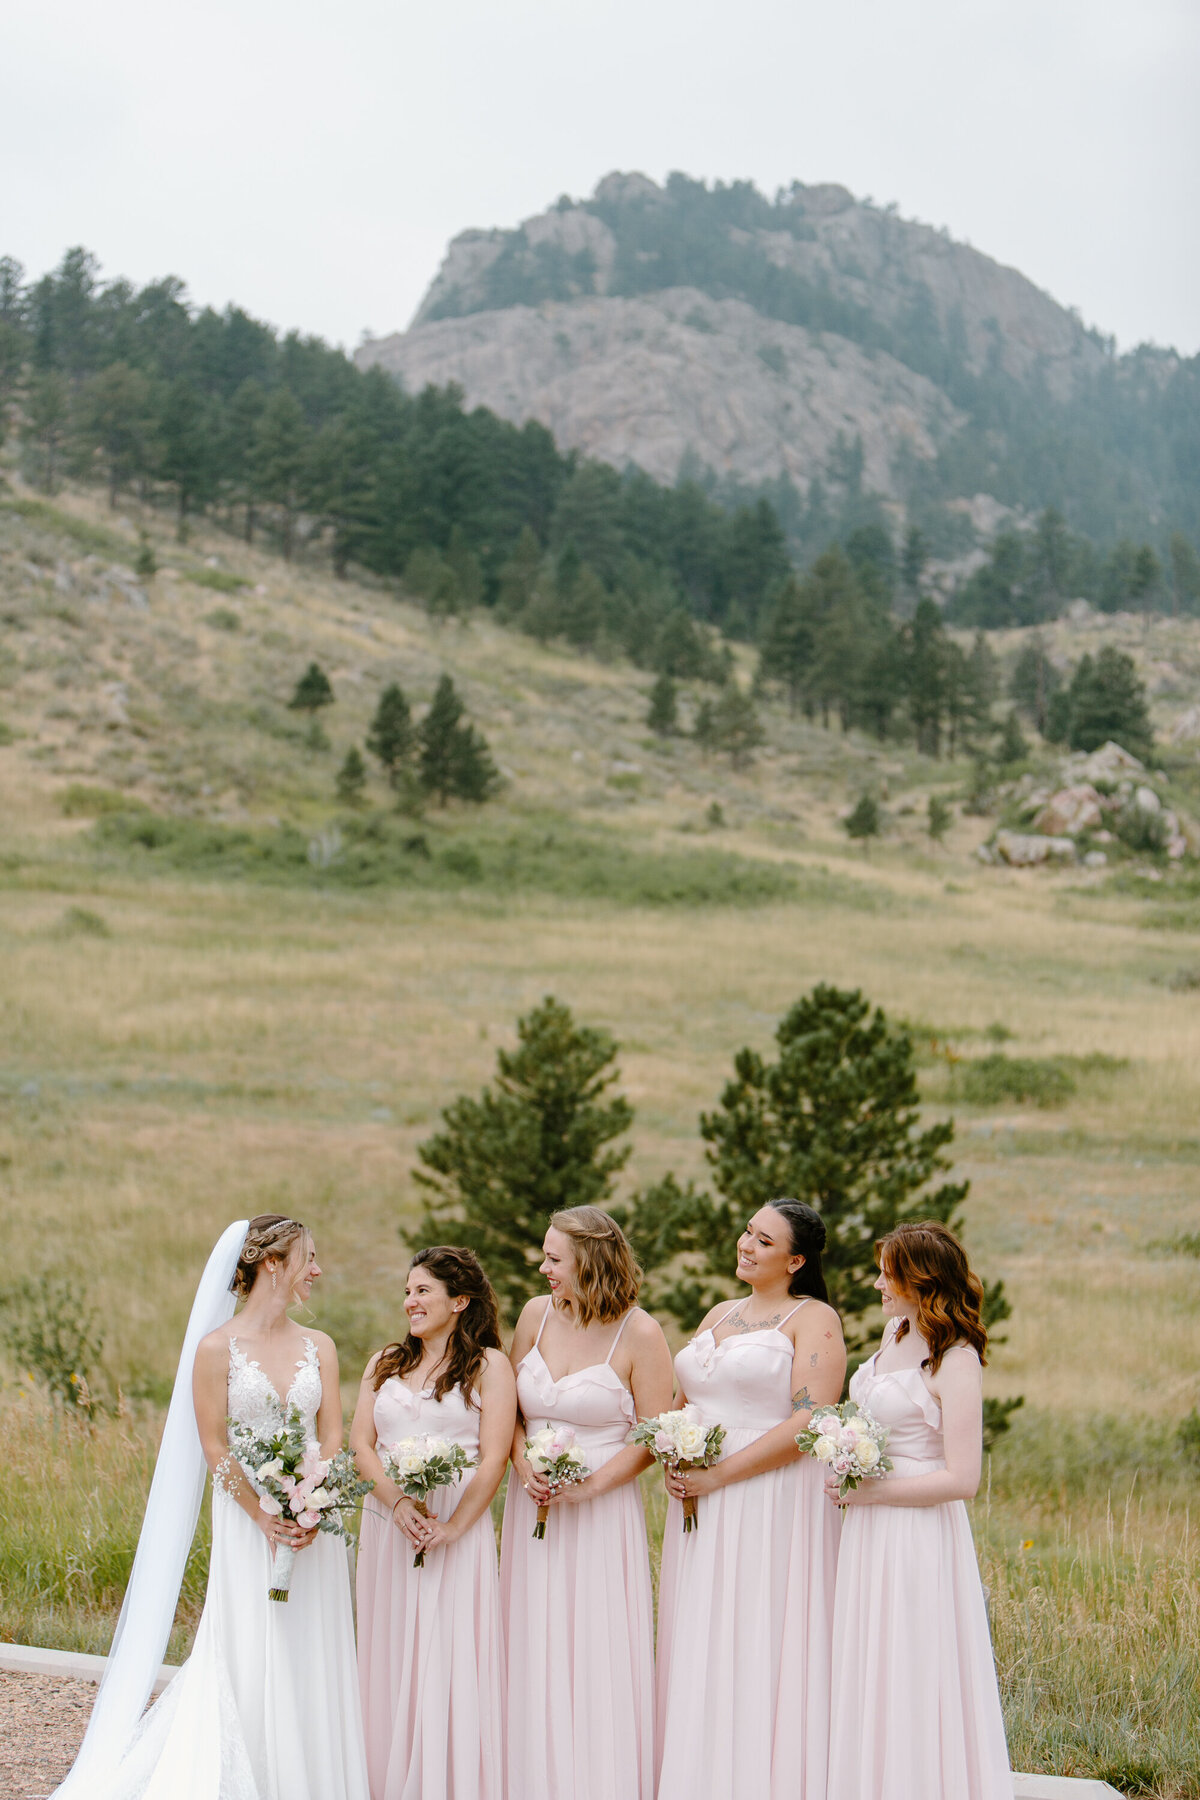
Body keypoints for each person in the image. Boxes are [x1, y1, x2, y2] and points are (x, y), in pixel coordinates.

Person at [56, 1213, 369, 1800]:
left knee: (310, 1643)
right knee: (252, 1641)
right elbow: (214, 1446)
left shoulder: (319, 1346)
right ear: (272, 1265)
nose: (318, 1270)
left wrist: (314, 1498)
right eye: (309, 1258)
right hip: (249, 1519)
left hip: (313, 1521)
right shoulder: (215, 1348)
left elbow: (331, 1432)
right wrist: (263, 1512)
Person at [654, 1200, 845, 1800]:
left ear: (795, 1260)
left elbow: (811, 1419)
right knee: (702, 1629)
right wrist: (674, 1447)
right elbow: (687, 1397)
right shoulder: (721, 1312)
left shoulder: (813, 1319)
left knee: (758, 1629)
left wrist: (722, 1474)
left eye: (763, 1241)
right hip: (700, 1496)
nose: (746, 1244)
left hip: (768, 1497)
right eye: (747, 1232)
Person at [825, 1219, 1011, 1800]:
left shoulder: (954, 1358)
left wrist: (872, 1491)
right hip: (870, 1526)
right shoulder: (895, 1333)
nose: (877, 1284)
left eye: (888, 1274)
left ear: (920, 1280)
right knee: (874, 1661)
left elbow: (963, 1478)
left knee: (912, 1659)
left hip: (917, 1532)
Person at [501, 1205, 674, 1800]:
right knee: (529, 1635)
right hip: (531, 1504)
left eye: (554, 1259)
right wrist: (523, 1466)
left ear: (591, 1263)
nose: (543, 1267)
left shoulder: (641, 1333)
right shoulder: (534, 1315)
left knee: (593, 1648)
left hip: (602, 1510)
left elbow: (654, 1434)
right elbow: (510, 1412)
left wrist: (594, 1486)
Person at [351, 1246, 516, 1800]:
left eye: (423, 1291)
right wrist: (396, 1503)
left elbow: (494, 1457)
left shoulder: (491, 1366)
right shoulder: (384, 1363)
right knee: (391, 1647)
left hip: (455, 1521)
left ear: (459, 1300)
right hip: (389, 1520)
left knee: (448, 1651)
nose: (410, 1302)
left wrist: (454, 1527)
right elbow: (360, 1446)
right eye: (407, 1292)